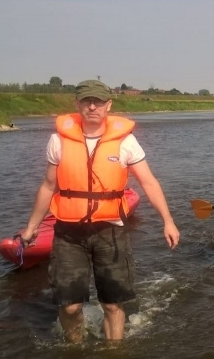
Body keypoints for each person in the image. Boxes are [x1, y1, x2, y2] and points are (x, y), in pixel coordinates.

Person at [18, 79, 180, 343]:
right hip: (69, 233)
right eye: (86, 101)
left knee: (113, 305)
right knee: (69, 306)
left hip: (111, 231)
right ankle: (75, 349)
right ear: (77, 104)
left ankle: (114, 355)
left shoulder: (126, 141)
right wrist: (32, 227)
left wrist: (168, 221)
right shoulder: (58, 140)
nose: (92, 106)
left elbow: (149, 182)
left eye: (98, 101)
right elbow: (49, 185)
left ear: (108, 105)